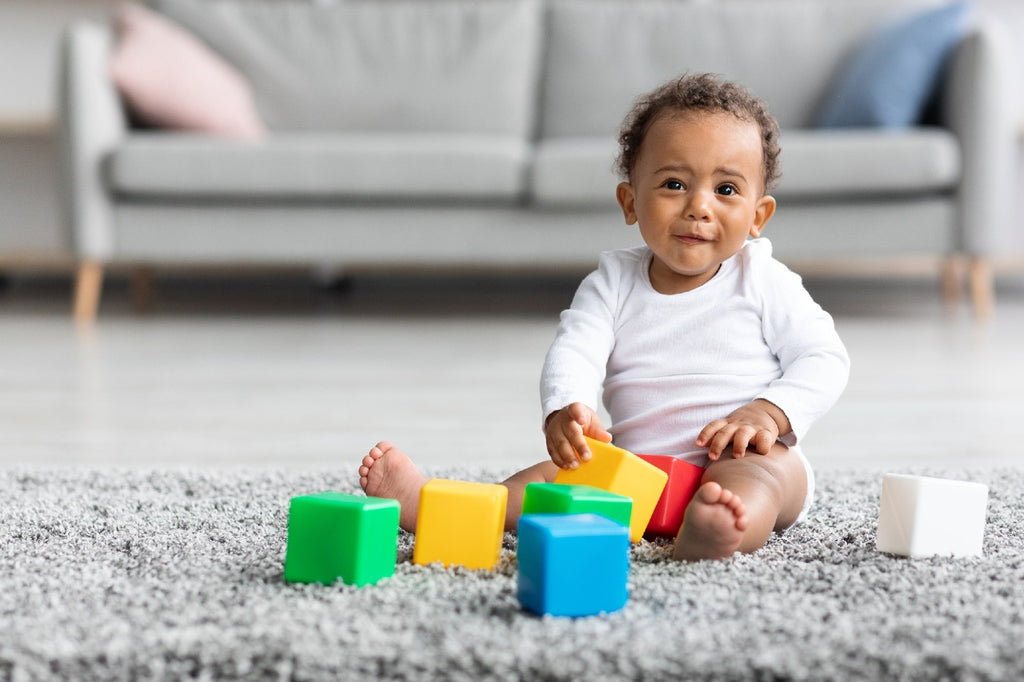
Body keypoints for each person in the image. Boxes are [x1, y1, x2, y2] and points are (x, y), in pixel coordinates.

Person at [359, 73, 850, 561]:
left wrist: (768, 413)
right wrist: (566, 409)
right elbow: (575, 350)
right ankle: (434, 505)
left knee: (758, 482)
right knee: (548, 481)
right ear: (631, 202)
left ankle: (716, 532)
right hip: (638, 474)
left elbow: (824, 358)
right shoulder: (612, 281)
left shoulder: (762, 278)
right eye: (674, 184)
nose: (699, 206)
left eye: (726, 189)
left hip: (745, 455)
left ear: (758, 216)